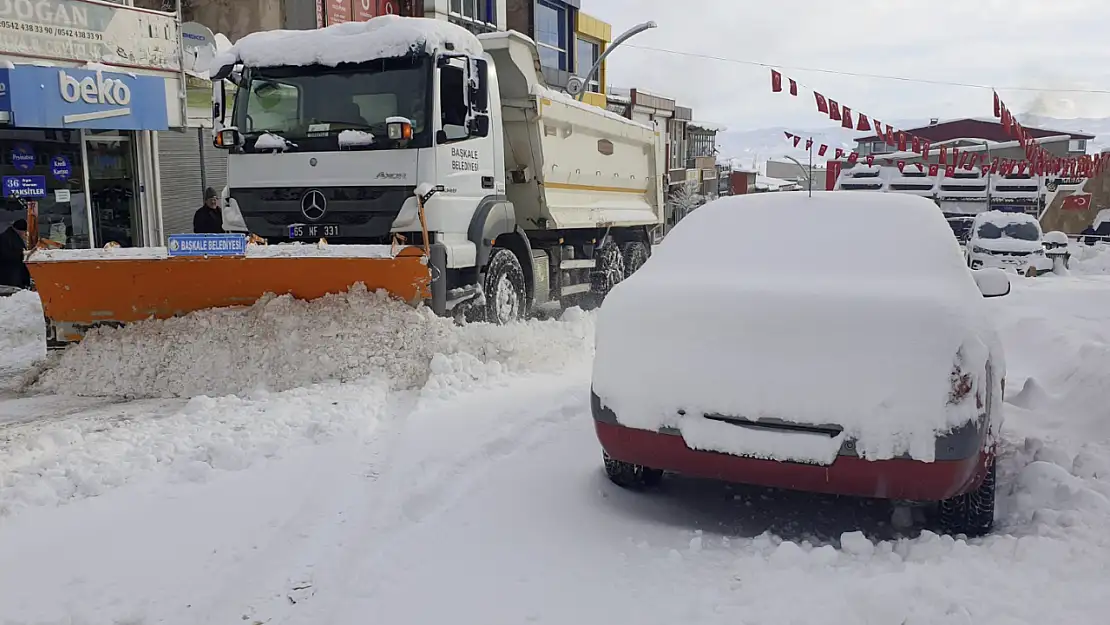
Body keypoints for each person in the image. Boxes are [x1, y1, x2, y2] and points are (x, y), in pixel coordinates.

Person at [0, 219, 31, 288]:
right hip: (10, 278)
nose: (25, 234)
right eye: (25, 231)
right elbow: (6, 255)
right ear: (20, 230)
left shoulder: (10, 237)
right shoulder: (7, 238)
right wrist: (22, 254)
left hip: (13, 277)